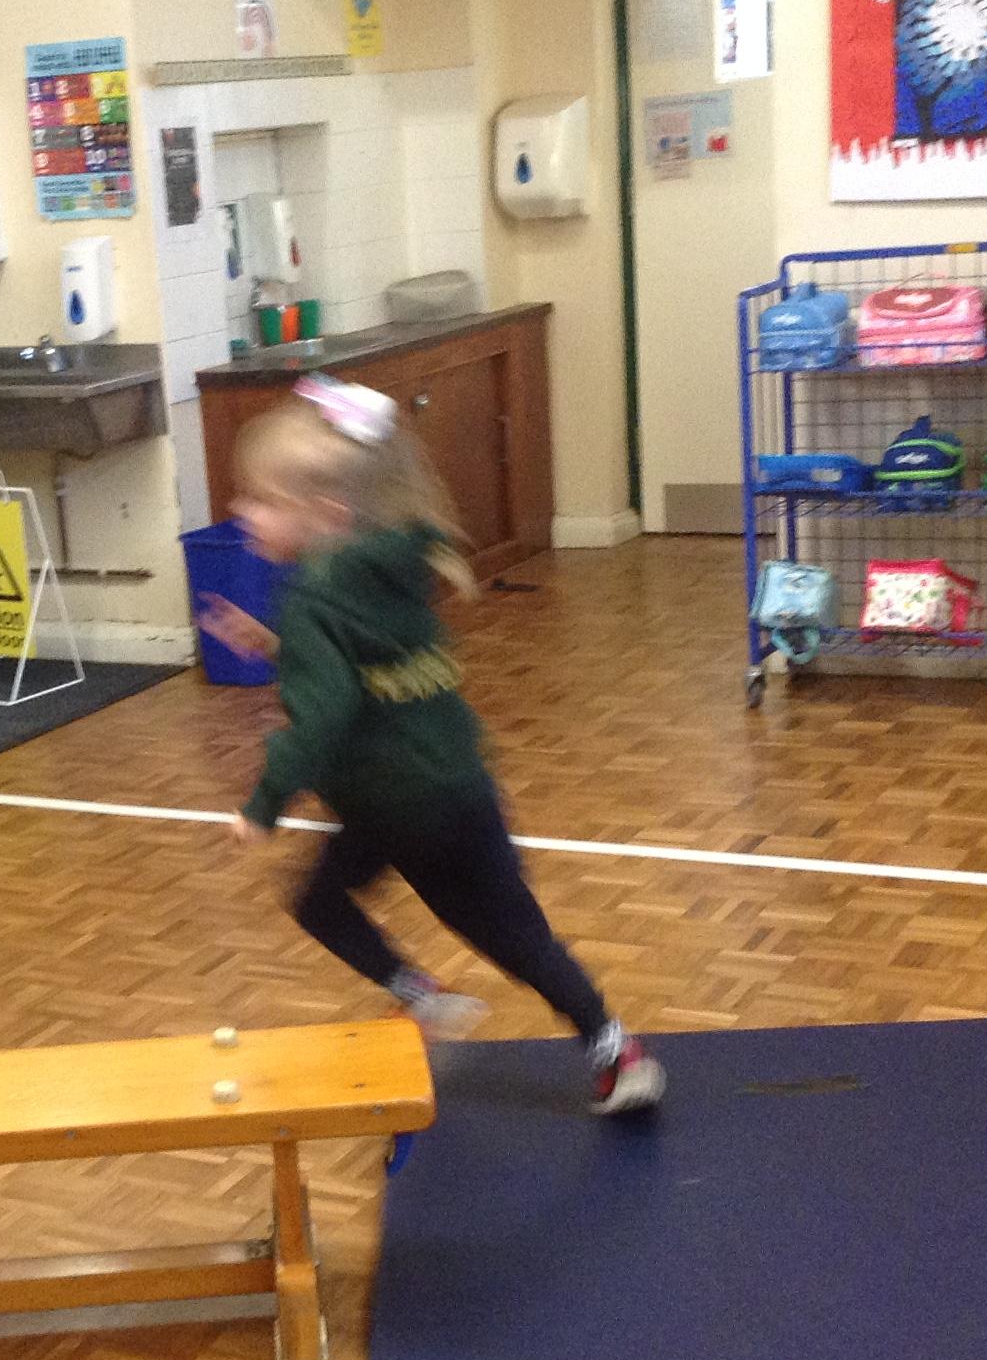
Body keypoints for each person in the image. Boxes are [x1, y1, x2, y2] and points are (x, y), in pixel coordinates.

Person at [202, 375, 665, 1115]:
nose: (239, 510)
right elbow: (366, 670)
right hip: (458, 784)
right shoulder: (389, 569)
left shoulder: (313, 596)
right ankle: (612, 1049)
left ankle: (424, 996)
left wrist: (262, 805)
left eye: (259, 498)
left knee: (329, 906)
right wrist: (275, 647)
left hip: (392, 804)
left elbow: (323, 717)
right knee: (518, 937)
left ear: (325, 513)